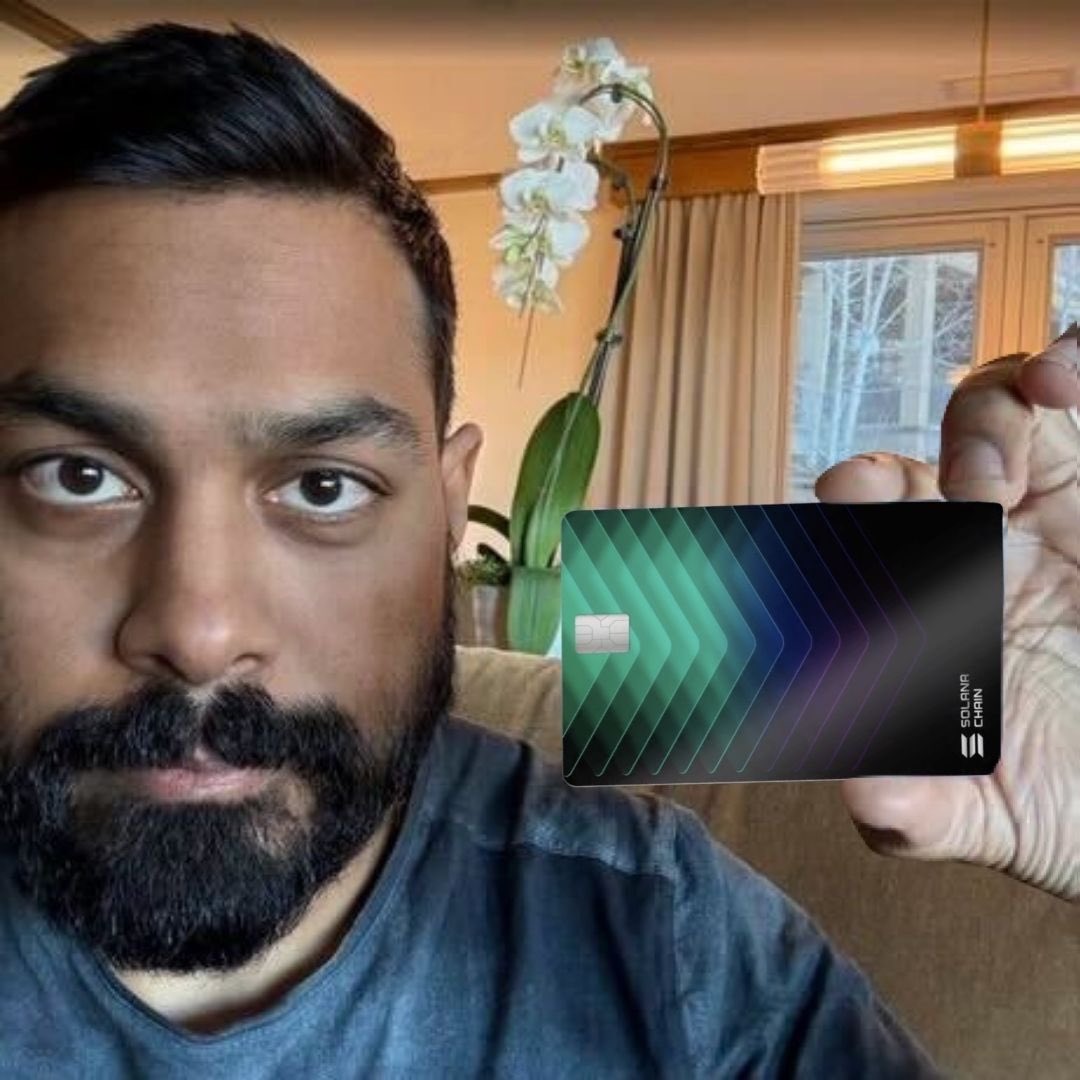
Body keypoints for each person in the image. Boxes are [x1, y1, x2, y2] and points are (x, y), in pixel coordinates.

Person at [0, 23, 1074, 1080]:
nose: (198, 632)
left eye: (324, 487)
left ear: (447, 511)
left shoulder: (671, 950)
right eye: (75, 476)